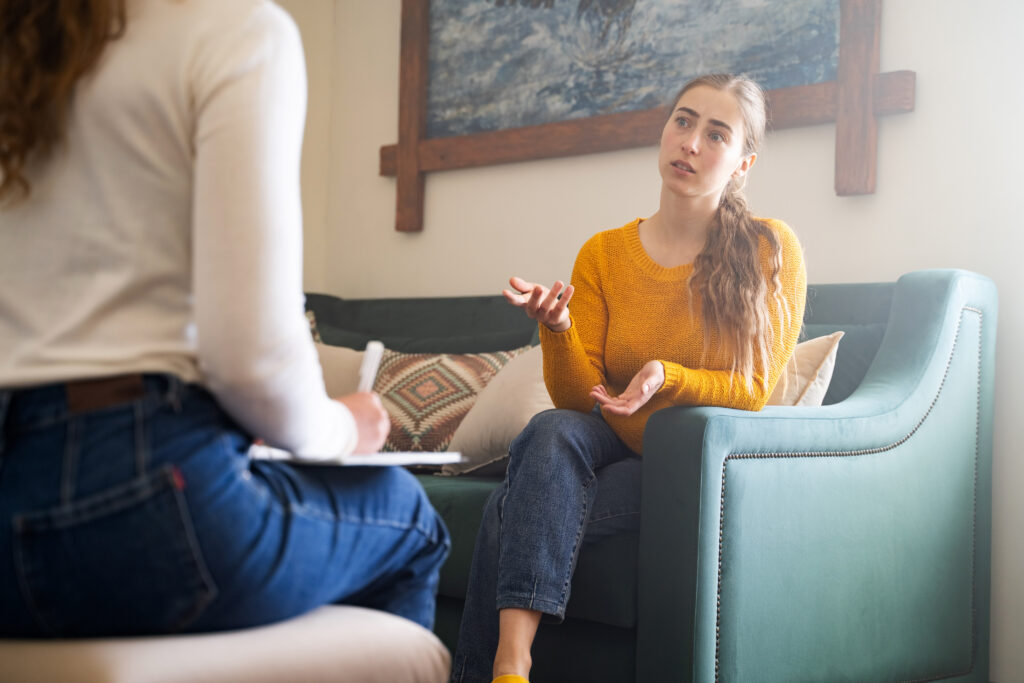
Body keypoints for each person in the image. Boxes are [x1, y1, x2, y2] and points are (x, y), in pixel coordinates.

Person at [0, 0, 448, 637]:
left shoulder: (20, 46)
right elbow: (250, 360)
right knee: (407, 518)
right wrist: (344, 427)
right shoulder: (233, 31)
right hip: (135, 505)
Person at [450, 73, 807, 683]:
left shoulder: (769, 249)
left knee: (511, 508)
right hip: (606, 438)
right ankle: (512, 665)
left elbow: (752, 391)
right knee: (551, 428)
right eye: (683, 121)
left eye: (716, 134)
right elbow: (574, 400)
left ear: (743, 164)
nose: (691, 142)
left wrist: (667, 377)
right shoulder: (604, 254)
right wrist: (559, 328)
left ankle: (502, 668)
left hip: (683, 464)